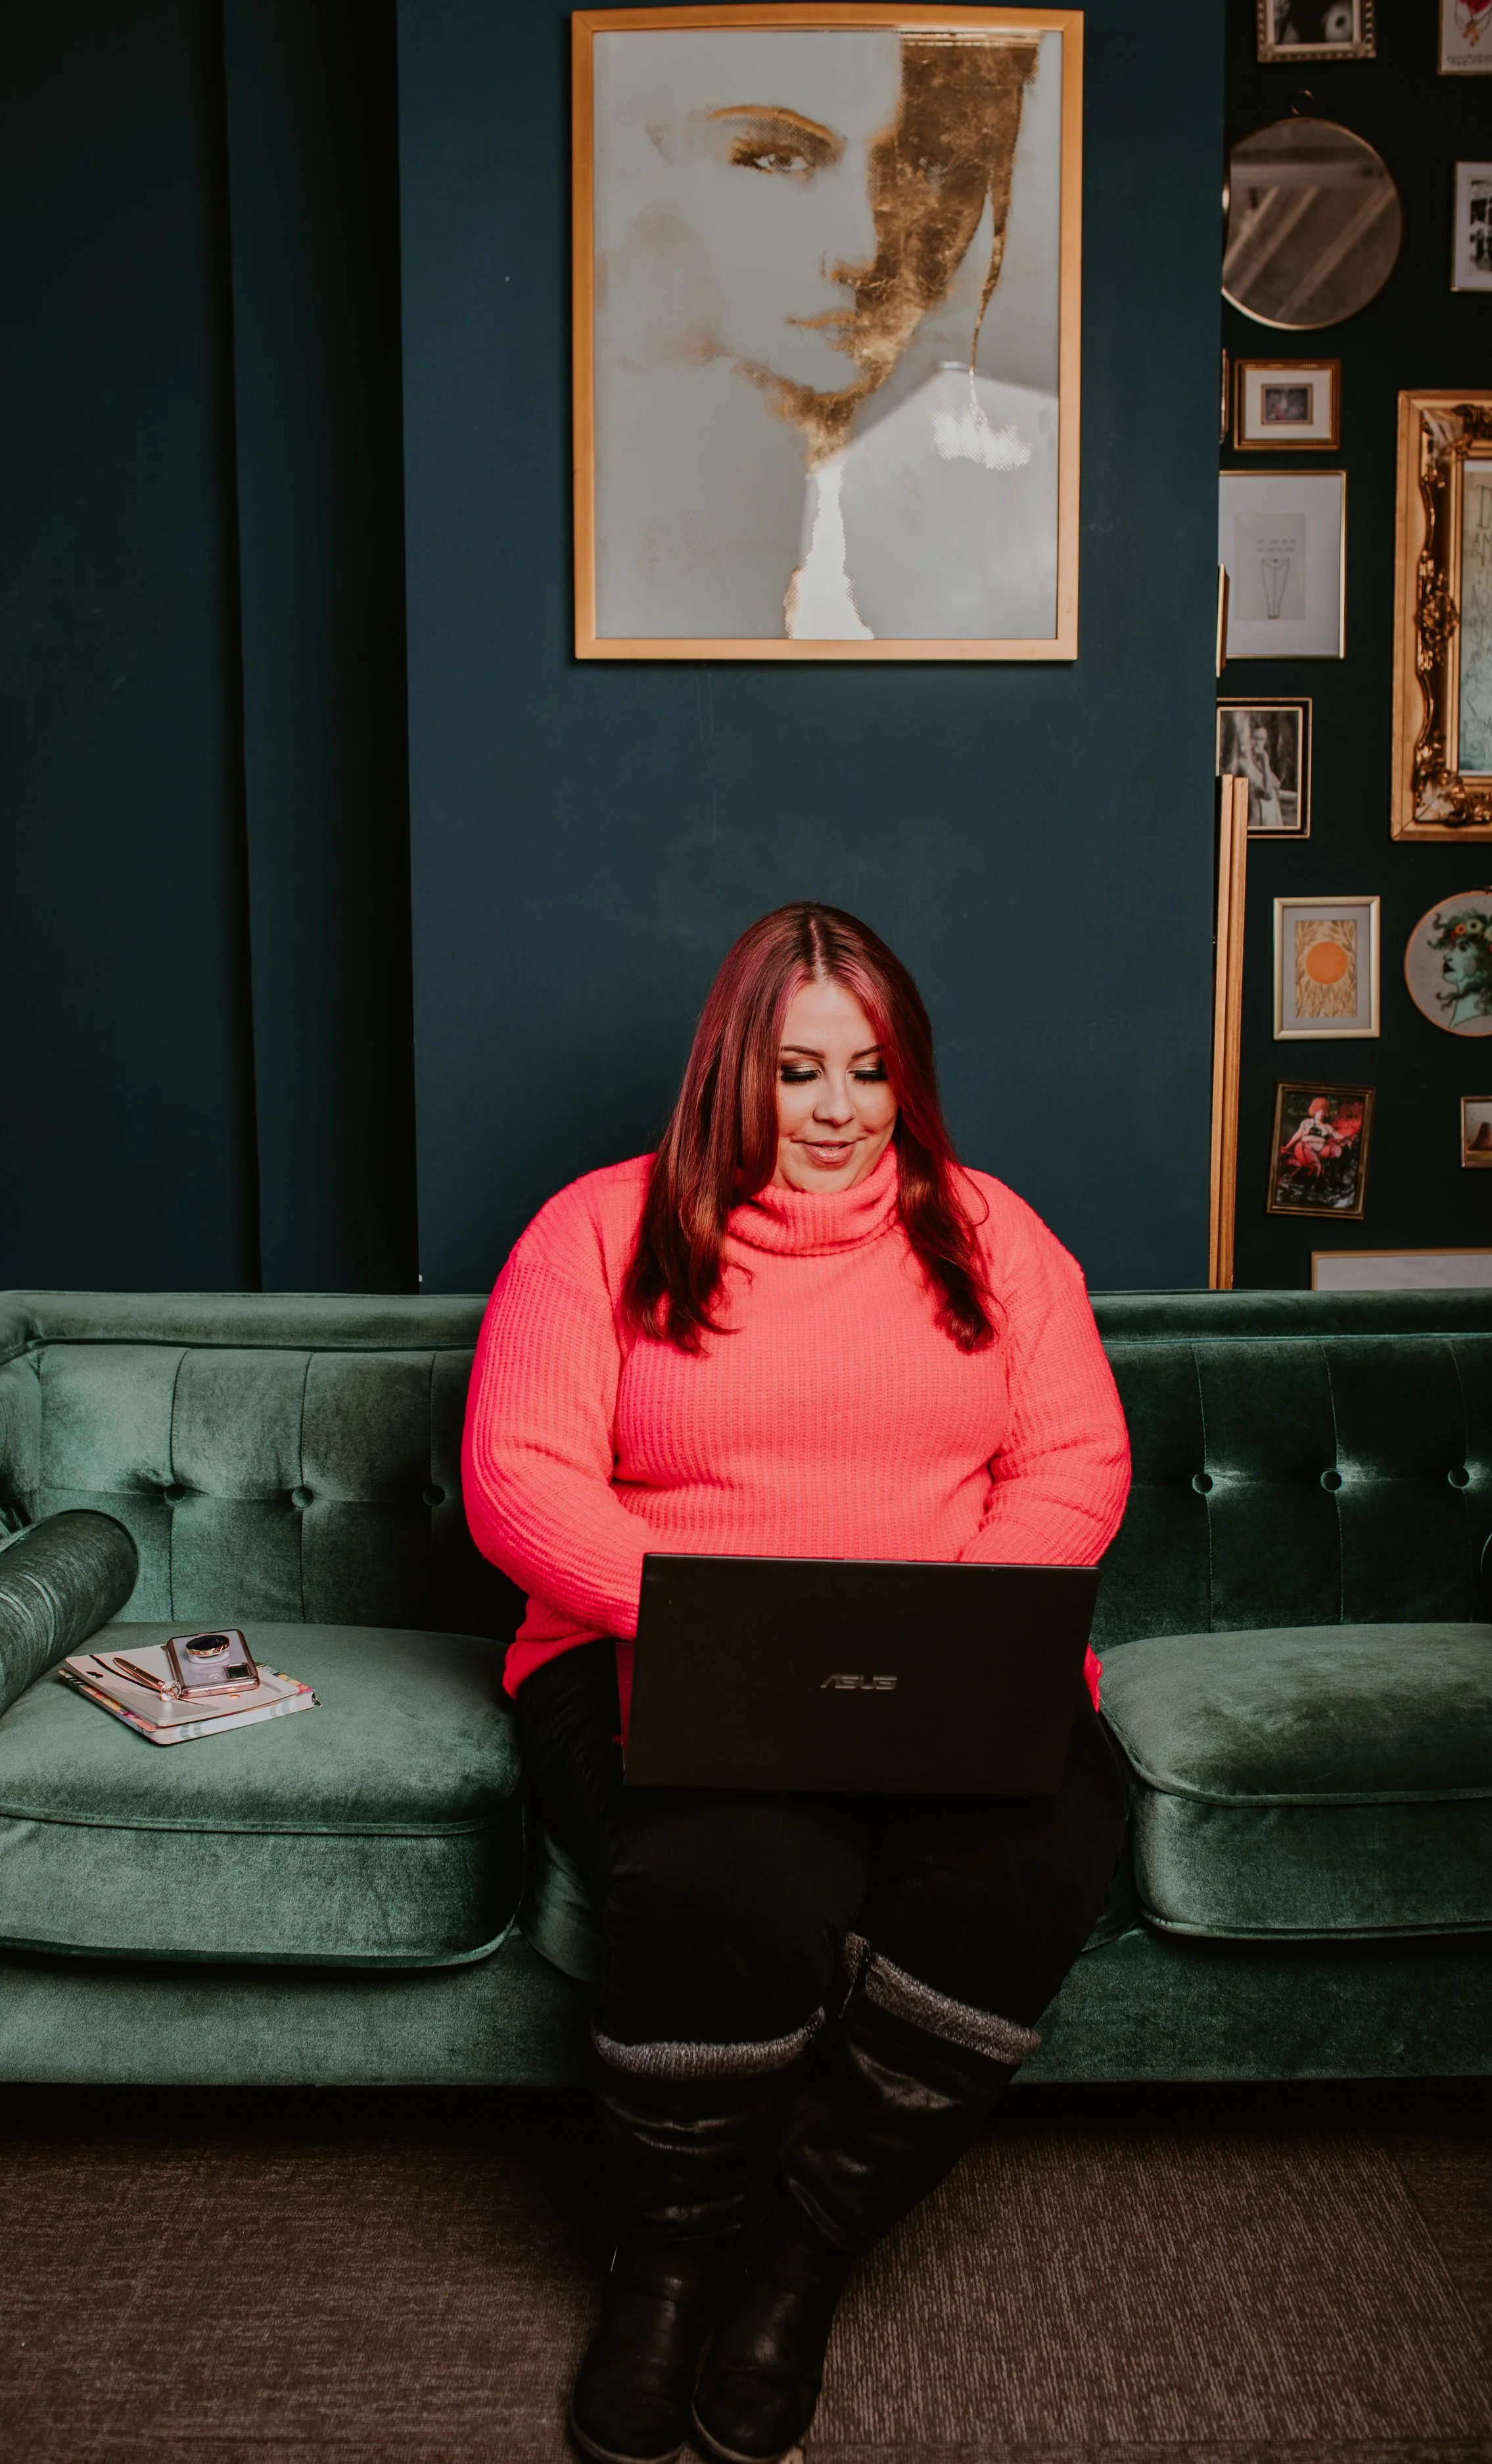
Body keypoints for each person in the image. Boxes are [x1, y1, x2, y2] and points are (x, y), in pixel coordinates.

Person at [463, 903, 1132, 2464]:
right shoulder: (595, 1229)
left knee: (1042, 1847)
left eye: (872, 1069)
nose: (836, 1108)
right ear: (731, 1071)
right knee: (738, 1867)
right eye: (797, 1067)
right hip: (647, 1654)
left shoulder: (994, 1231)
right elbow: (517, 1477)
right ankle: (669, 2263)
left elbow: (1074, 1459)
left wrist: (934, 1657)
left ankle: (796, 2258)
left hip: (954, 1657)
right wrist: (714, 1633)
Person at [594, 30, 1058, 641]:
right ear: (651, 156)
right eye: (778, 159)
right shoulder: (610, 499)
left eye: (927, 166)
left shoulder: (1028, 480)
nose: (861, 251)